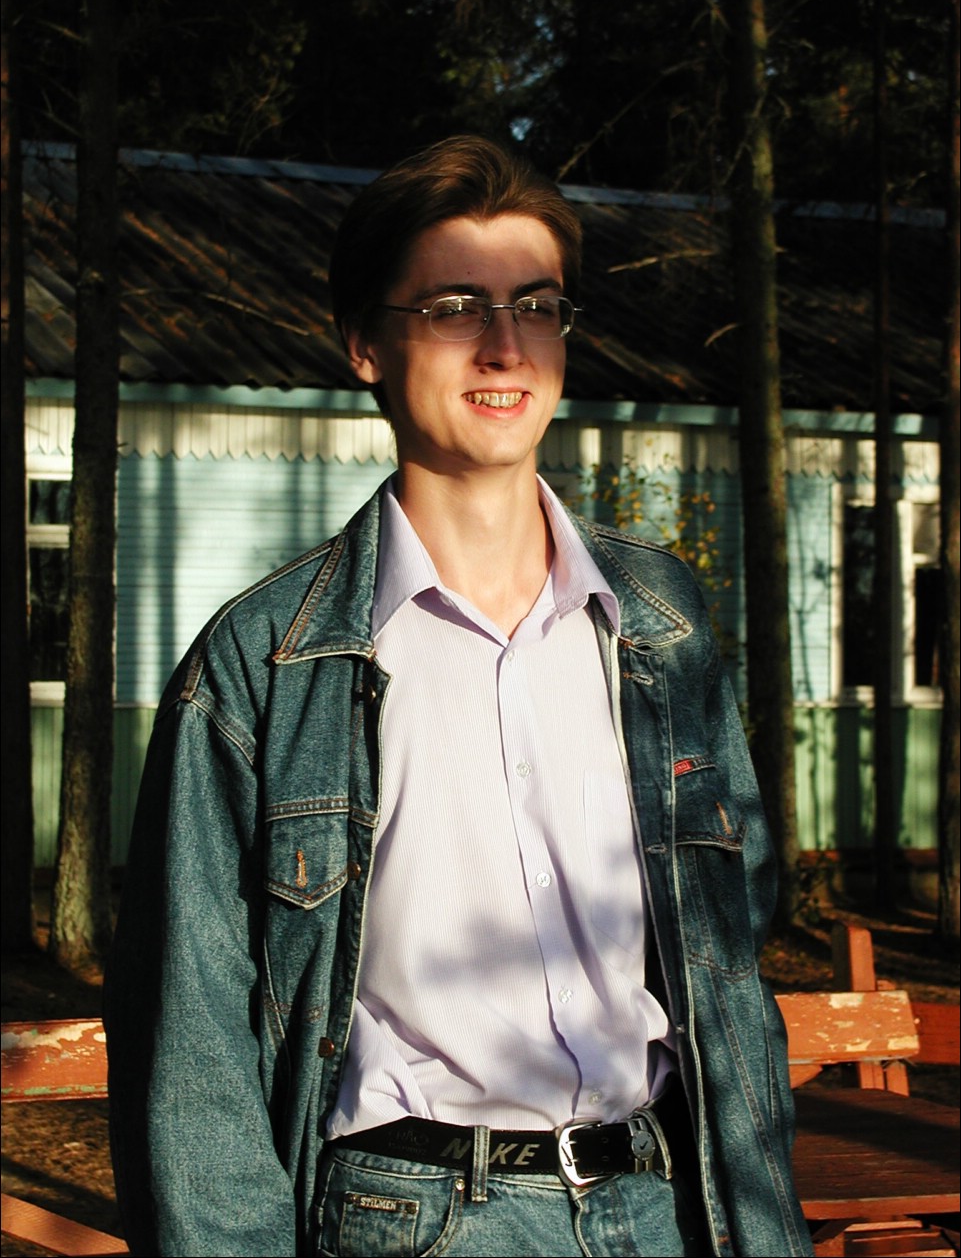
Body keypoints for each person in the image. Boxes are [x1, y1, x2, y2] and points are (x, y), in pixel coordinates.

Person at [104, 135, 812, 1258]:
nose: (503, 344)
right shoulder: (262, 664)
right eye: (452, 307)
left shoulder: (662, 623)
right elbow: (192, 1048)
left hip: (670, 1205)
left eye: (536, 305)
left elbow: (734, 929)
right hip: (417, 1221)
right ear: (364, 344)